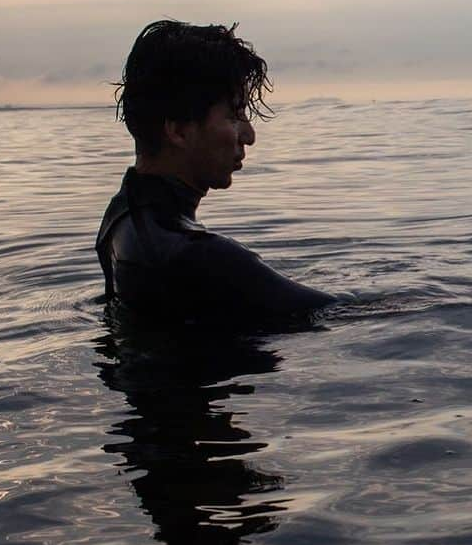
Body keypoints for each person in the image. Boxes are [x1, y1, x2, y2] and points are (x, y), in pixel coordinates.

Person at [96, 19, 337, 320]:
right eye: (235, 116)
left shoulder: (121, 218)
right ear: (179, 130)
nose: (249, 135)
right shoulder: (200, 257)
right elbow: (336, 315)